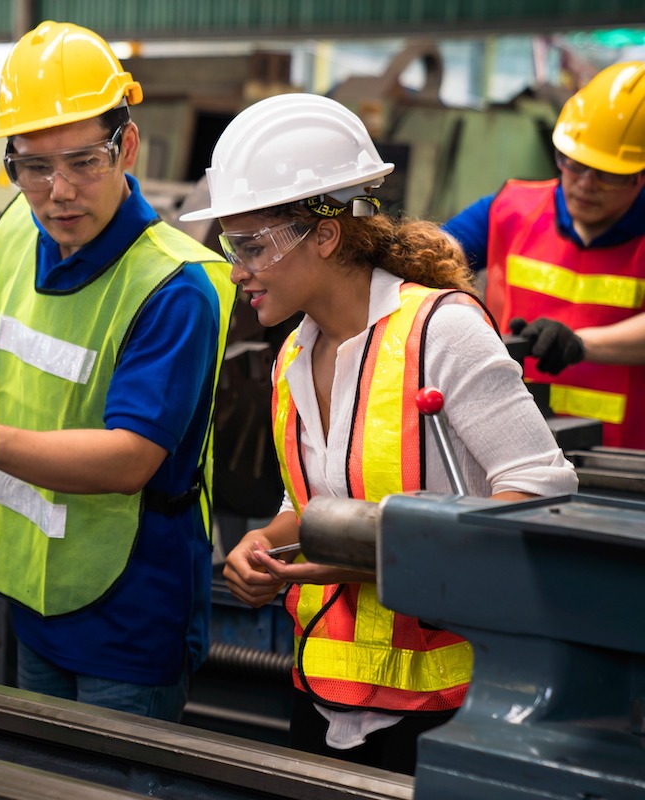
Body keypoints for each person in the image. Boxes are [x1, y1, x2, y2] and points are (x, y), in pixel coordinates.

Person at [179, 93, 578, 773]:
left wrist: (374, 563)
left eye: (252, 246)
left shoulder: (441, 332)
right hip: (322, 689)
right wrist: (264, 542)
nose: (237, 269)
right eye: (229, 245)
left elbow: (543, 500)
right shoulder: (295, 355)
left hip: (454, 707)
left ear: (326, 234)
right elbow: (316, 501)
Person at [0, 21, 237, 722]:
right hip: (34, 595)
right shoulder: (14, 233)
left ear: (126, 147)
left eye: (84, 161)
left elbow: (132, 457)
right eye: (33, 166)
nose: (58, 191)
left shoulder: (176, 286)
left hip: (129, 611)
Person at [444, 61, 645, 449]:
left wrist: (580, 344)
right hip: (514, 445)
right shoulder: (510, 209)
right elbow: (437, 251)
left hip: (626, 463)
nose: (586, 184)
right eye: (574, 163)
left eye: (610, 173)